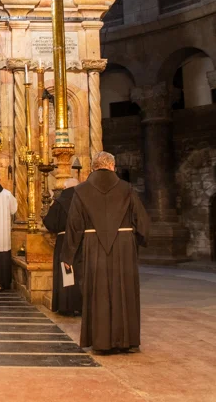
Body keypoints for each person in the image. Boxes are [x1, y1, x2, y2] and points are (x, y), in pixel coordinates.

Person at [63, 151, 151, 354]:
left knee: (98, 291)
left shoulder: (81, 190)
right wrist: (137, 240)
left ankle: (101, 342)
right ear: (112, 166)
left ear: (93, 167)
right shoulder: (127, 188)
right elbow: (142, 222)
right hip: (124, 246)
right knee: (124, 290)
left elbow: (74, 225)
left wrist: (68, 255)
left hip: (93, 245)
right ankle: (125, 340)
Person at [43, 177, 83, 315]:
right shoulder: (83, 200)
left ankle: (67, 306)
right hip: (81, 241)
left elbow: (50, 222)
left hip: (64, 240)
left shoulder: (59, 202)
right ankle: (81, 305)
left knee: (67, 272)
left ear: (65, 188)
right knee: (80, 273)